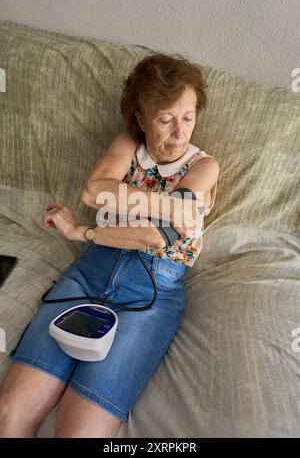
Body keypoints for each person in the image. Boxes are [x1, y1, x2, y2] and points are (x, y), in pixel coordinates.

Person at [0, 53, 220, 438]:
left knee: (77, 432)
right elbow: (91, 190)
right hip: (89, 274)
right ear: (140, 117)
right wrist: (169, 205)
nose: (179, 134)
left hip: (150, 291)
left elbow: (157, 236)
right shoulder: (128, 144)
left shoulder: (204, 167)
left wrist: (83, 232)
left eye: (187, 117)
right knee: (7, 415)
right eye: (165, 119)